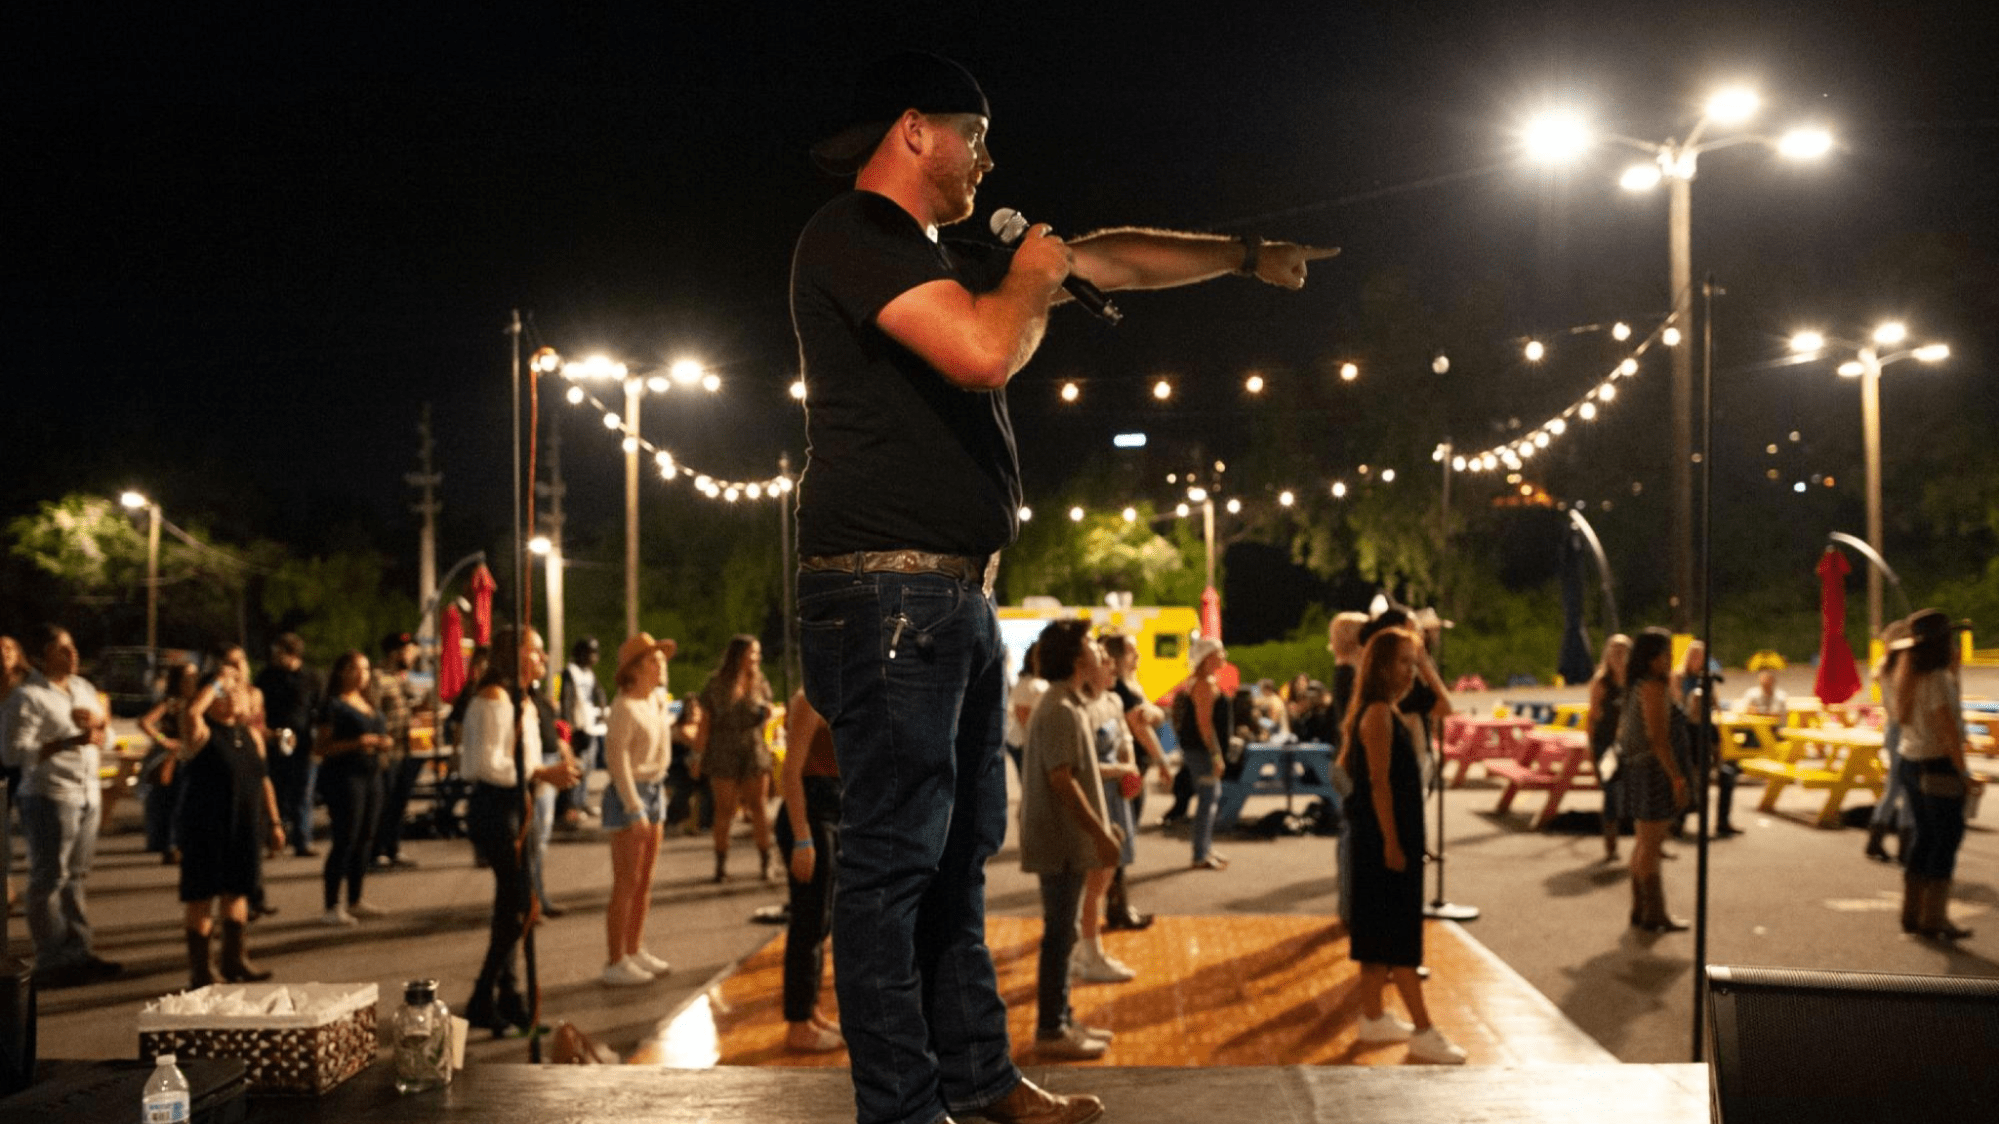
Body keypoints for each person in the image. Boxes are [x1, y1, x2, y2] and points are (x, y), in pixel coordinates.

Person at [791, 49, 1333, 1124]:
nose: (988, 162)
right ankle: (900, 1108)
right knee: (894, 864)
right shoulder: (854, 239)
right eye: (975, 137)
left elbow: (1109, 261)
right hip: (884, 597)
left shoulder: (943, 251)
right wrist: (1033, 278)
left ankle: (981, 1080)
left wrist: (1240, 254)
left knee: (957, 856)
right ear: (914, 130)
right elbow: (986, 353)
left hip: (949, 600)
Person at [1343, 627, 1466, 1064]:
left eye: (1413, 663)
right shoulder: (1378, 714)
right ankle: (1424, 1029)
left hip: (1387, 841)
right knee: (1400, 942)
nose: (1410, 671)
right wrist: (1394, 843)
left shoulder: (1386, 711)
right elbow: (1380, 787)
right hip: (1384, 843)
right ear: (1380, 666)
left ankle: (1373, 1016)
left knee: (1379, 938)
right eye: (1403, 662)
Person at [458, 627, 581, 1035]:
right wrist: (543, 772)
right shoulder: (493, 698)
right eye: (537, 652)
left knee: (510, 907)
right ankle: (481, 998)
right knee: (520, 906)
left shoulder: (522, 699)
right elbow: (483, 764)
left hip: (517, 805)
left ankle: (509, 998)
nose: (544, 661)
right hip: (496, 809)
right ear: (517, 655)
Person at [1019, 622, 1124, 1060]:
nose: (1097, 652)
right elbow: (1062, 780)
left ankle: (1061, 1018)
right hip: (1060, 841)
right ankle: (1050, 1028)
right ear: (1076, 660)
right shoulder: (1060, 708)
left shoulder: (1065, 703)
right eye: (1089, 646)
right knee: (1059, 935)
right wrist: (1100, 833)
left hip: (1064, 840)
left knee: (1062, 934)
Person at [1, 624, 120, 987]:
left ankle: (78, 950)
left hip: (87, 792)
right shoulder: (28, 697)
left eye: (73, 647)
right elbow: (13, 752)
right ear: (42, 657)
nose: (73, 655)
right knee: (49, 876)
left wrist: (99, 726)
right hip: (50, 793)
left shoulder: (83, 689)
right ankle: (51, 956)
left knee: (77, 876)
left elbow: (108, 738)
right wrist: (68, 740)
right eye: (62, 649)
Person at [174, 668, 285, 987]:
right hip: (205, 827)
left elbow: (264, 780)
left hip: (244, 826)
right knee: (202, 896)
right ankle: (201, 970)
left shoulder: (249, 735)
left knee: (238, 893)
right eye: (224, 693)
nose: (232, 695)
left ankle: (235, 959)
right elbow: (192, 711)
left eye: (236, 690)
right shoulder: (201, 731)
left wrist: (274, 822)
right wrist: (216, 683)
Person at [1889, 609, 1979, 940]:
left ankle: (1912, 912)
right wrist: (1963, 771)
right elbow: (1946, 730)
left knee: (1924, 836)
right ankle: (1934, 917)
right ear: (1942, 643)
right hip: (1938, 764)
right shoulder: (1937, 679)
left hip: (1910, 762)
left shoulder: (1908, 674)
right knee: (1946, 839)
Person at [600, 632, 677, 986]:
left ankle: (634, 948)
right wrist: (634, 807)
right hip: (631, 794)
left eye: (661, 659)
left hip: (655, 789)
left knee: (644, 880)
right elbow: (618, 764)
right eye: (653, 659)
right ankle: (615, 959)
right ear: (635, 668)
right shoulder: (624, 708)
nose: (661, 664)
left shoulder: (657, 700)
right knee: (626, 881)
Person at [777, 688, 845, 1052]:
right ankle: (797, 1023)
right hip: (811, 813)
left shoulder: (842, 692)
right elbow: (791, 772)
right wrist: (803, 839)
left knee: (821, 921)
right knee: (807, 920)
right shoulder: (809, 699)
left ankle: (810, 1011)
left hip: (831, 809)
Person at [1614, 629, 1693, 932]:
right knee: (1651, 843)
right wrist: (1677, 777)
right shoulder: (1653, 688)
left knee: (1643, 843)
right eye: (1665, 653)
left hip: (1638, 769)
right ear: (1651, 657)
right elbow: (1659, 739)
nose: (1670, 659)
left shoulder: (1637, 686)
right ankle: (1655, 913)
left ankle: (1640, 908)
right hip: (1653, 771)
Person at [313, 650, 389, 925]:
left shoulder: (368, 702)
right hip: (345, 777)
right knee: (345, 837)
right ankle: (331, 904)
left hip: (371, 775)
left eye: (366, 669)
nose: (362, 675)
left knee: (366, 838)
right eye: (357, 669)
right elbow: (321, 748)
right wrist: (358, 743)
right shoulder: (334, 705)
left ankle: (355, 898)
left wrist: (382, 742)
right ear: (343, 672)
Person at [694, 635, 776, 884]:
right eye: (753, 653)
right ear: (739, 655)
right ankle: (720, 864)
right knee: (725, 810)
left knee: (759, 807)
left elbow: (767, 721)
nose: (757, 658)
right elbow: (704, 724)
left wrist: (769, 721)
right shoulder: (716, 684)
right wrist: (697, 756)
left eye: (758, 653)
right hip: (722, 750)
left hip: (753, 749)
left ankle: (766, 860)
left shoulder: (760, 683)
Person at [1097, 634, 1158, 931]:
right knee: (1117, 844)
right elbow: (1138, 727)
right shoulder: (1116, 691)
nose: (1138, 657)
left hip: (1128, 773)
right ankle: (1116, 907)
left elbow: (1141, 723)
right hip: (1119, 779)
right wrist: (1152, 762)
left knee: (1120, 844)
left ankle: (1118, 905)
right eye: (1133, 651)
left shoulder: (1119, 691)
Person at [254, 633, 322, 857]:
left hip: (303, 744)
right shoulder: (267, 677)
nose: (274, 657)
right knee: (276, 791)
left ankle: (303, 840)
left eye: (279, 653)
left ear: (292, 654)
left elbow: (319, 709)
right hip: (274, 741)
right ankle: (275, 839)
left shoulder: (312, 677)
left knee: (303, 793)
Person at [1172, 637, 1232, 870]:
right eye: (1220, 652)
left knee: (1210, 798)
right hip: (1201, 751)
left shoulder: (1203, 681)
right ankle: (1200, 853)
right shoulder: (1204, 684)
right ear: (1208, 657)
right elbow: (1205, 725)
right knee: (1208, 799)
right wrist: (1217, 756)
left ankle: (1205, 847)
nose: (1224, 655)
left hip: (1196, 749)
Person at [369, 632, 423, 869]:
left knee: (400, 802)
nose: (412, 656)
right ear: (394, 653)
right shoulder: (377, 678)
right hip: (385, 752)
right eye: (408, 651)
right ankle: (377, 850)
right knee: (384, 803)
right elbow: (372, 712)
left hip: (404, 749)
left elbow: (410, 706)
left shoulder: (402, 678)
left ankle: (393, 847)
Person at [138, 661, 200, 862]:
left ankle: (182, 843)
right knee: (173, 802)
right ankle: (170, 844)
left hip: (193, 757)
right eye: (188, 676)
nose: (193, 680)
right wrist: (164, 741)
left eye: (194, 676)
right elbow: (145, 722)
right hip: (175, 758)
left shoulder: (197, 701)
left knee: (188, 803)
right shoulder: (172, 702)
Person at [1864, 620, 1913, 863]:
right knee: (1905, 787)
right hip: (1904, 728)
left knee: (1896, 786)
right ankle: (1902, 844)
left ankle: (1878, 839)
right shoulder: (1903, 667)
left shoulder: (1883, 665)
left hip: (1892, 728)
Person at [1587, 634, 1632, 862]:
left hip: (1632, 745)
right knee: (1612, 793)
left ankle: (1651, 843)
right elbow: (1593, 718)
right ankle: (1611, 845)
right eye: (1614, 648)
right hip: (1607, 746)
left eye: (1623, 649)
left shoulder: (1636, 680)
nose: (1618, 653)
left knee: (1639, 793)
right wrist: (1591, 750)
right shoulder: (1602, 682)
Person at [559, 637, 610, 828]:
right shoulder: (571, 672)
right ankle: (572, 805)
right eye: (590, 653)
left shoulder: (589, 674)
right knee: (578, 766)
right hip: (578, 727)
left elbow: (599, 692)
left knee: (587, 767)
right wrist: (568, 727)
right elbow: (567, 698)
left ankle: (581, 801)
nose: (593, 657)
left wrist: (603, 710)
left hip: (590, 725)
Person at [1003, 641, 1047, 779]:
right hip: (1022, 743)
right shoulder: (1025, 683)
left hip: (1030, 743)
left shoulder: (1041, 682)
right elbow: (1023, 716)